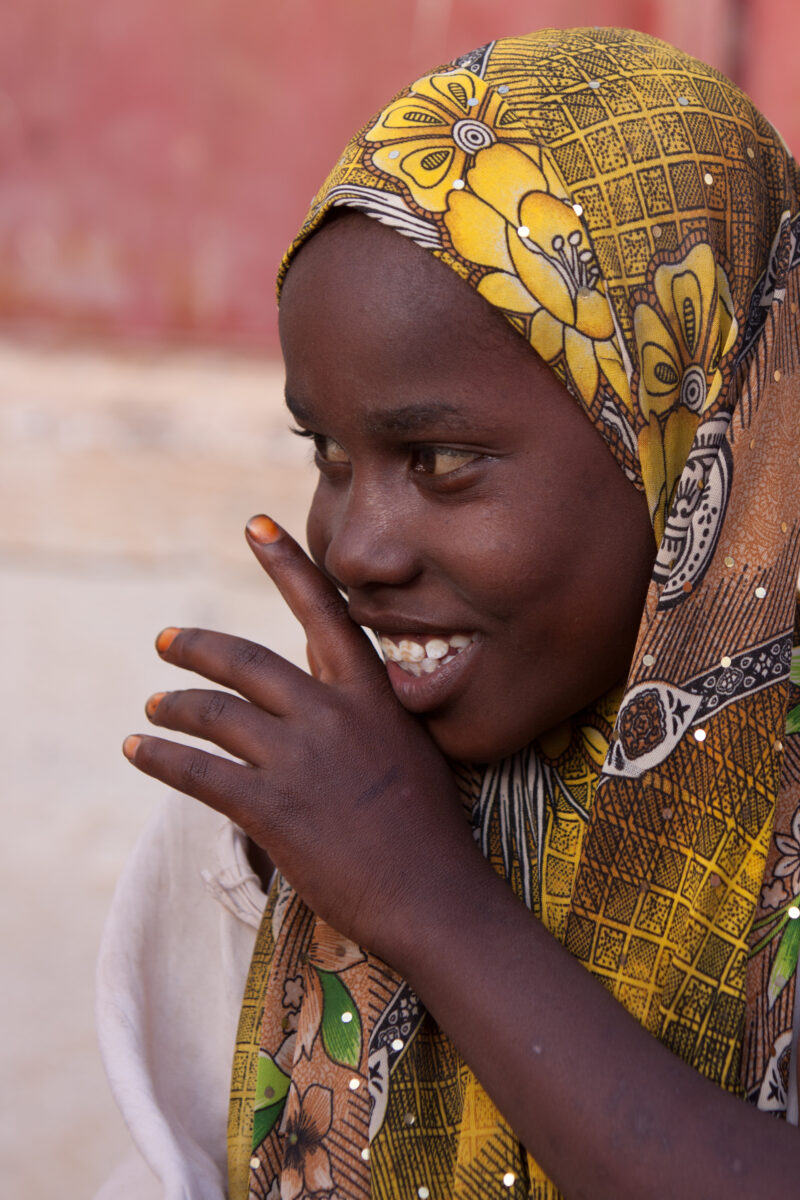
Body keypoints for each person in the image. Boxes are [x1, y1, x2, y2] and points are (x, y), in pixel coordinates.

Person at [101, 25, 800, 1200]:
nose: (354, 548)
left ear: (686, 433)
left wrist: (422, 896)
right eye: (326, 450)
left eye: (439, 460)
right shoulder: (277, 817)